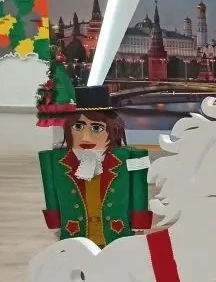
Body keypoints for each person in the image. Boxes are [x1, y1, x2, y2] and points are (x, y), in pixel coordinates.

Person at [38, 85, 153, 247]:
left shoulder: (132, 157)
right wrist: (55, 223)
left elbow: (139, 191)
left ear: (113, 130)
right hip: (75, 235)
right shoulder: (55, 161)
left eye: (97, 128)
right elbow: (50, 191)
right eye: (78, 127)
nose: (85, 137)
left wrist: (140, 223)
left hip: (116, 234)